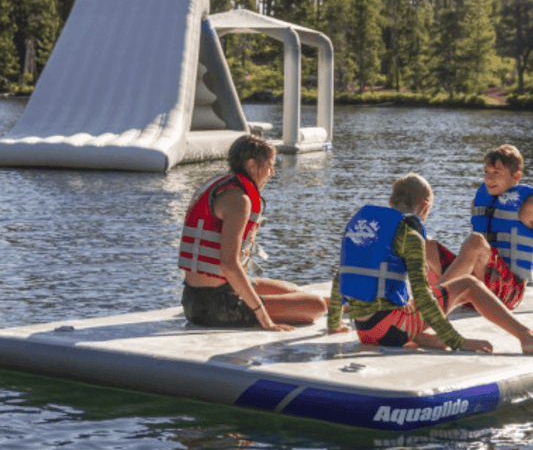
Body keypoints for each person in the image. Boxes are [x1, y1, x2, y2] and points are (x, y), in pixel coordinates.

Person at [327, 172, 533, 354]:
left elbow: (341, 276)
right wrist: (459, 341)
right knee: (469, 284)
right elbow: (424, 297)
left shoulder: (362, 224)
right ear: (424, 206)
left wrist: (334, 325)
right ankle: (526, 337)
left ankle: (418, 336)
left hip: (365, 331)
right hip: (389, 330)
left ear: (391, 200)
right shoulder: (410, 234)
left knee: (403, 300)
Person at [178, 134, 327, 331]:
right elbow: (229, 264)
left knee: (292, 290)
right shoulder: (239, 200)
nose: (272, 173)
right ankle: (328, 306)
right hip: (215, 306)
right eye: (270, 165)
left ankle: (342, 305)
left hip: (195, 297)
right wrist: (265, 319)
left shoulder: (221, 185)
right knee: (316, 306)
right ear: (252, 165)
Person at [428, 145, 533, 310]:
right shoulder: (483, 197)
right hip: (475, 290)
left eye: (496, 173)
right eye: (487, 172)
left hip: (508, 292)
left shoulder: (528, 203)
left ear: (516, 177)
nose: (489, 179)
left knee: (476, 241)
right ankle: (393, 300)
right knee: (424, 244)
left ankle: (430, 303)